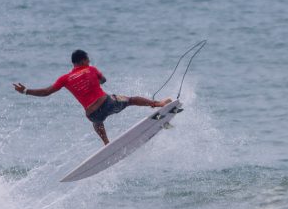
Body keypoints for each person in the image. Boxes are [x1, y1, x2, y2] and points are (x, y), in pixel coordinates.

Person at [13, 50, 171, 145]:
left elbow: (46, 92)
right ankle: (159, 104)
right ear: (83, 61)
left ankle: (106, 143)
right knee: (130, 100)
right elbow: (103, 80)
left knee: (97, 123)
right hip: (107, 104)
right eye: (87, 59)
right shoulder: (91, 69)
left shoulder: (65, 78)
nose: (89, 61)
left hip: (92, 114)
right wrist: (97, 79)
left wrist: (26, 91)